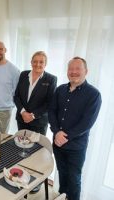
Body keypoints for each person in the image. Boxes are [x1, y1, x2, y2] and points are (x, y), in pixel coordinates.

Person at [48, 57, 102, 200]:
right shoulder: (60, 90)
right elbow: (52, 111)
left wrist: (64, 136)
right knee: (62, 176)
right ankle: (62, 198)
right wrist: (56, 132)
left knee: (74, 180)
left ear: (86, 71)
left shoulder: (93, 94)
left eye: (78, 69)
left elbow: (87, 122)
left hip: (76, 147)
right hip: (58, 144)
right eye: (71, 69)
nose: (73, 72)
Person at [14, 51, 57, 135]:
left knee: (37, 147)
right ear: (31, 62)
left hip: (39, 123)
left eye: (41, 62)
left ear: (45, 64)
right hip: (22, 119)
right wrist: (23, 112)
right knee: (21, 145)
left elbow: (49, 102)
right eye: (35, 61)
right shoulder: (23, 74)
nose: (37, 64)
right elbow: (16, 96)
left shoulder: (51, 79)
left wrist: (32, 115)